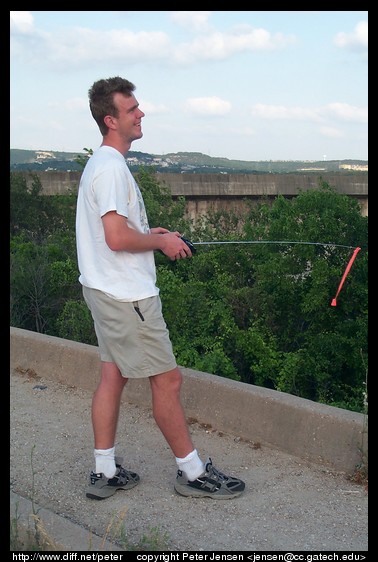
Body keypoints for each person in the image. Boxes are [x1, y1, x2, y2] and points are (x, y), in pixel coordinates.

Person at [75, 76, 245, 501]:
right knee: (167, 381)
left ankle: (104, 471)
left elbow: (116, 231)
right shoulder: (112, 168)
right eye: (132, 110)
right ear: (110, 120)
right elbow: (115, 238)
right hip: (126, 297)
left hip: (102, 290)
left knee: (112, 376)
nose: (141, 114)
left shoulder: (101, 164)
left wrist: (150, 231)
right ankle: (192, 474)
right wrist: (163, 243)